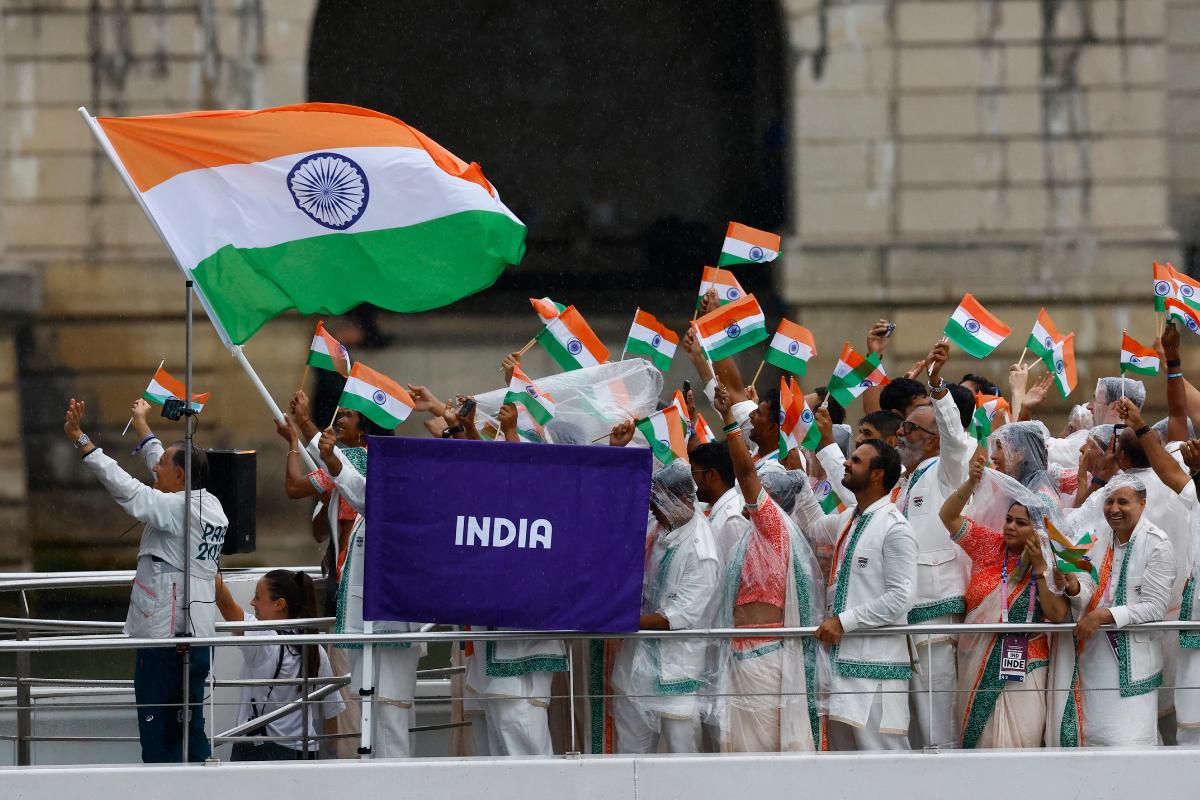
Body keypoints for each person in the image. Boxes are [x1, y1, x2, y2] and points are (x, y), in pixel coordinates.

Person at [63, 397, 227, 763]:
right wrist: (141, 423)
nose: (155, 469)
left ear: (181, 477)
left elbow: (130, 490)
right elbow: (160, 463)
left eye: (163, 466)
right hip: (200, 635)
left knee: (159, 734)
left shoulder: (177, 509)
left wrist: (81, 441)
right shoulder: (211, 505)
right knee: (191, 724)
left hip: (166, 637)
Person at [713, 384, 824, 752]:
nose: (751, 497)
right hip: (745, 654)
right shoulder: (754, 532)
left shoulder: (773, 526)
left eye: (760, 492)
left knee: (759, 758)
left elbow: (745, 474)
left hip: (764, 656)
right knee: (744, 758)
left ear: (773, 499)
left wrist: (729, 420)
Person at [792, 438, 917, 750]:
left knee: (883, 757)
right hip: (842, 663)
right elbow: (814, 526)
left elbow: (902, 597)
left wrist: (844, 621)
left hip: (877, 669)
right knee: (844, 759)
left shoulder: (895, 528)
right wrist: (798, 478)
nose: (846, 463)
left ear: (877, 475)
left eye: (856, 460)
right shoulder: (850, 517)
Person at [940, 454, 1072, 748]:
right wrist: (971, 482)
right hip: (975, 660)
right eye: (1009, 520)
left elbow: (1059, 615)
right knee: (980, 744)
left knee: (1021, 743)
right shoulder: (989, 544)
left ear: (1037, 529)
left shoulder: (1050, 562)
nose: (1010, 527)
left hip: (1027, 665)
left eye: (1021, 523)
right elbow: (948, 516)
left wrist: (1039, 568)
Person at [314, 428, 424, 758]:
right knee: (373, 723)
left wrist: (332, 459)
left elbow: (359, 490)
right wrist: (330, 456)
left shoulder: (399, 506)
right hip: (370, 633)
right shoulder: (370, 512)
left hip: (391, 632)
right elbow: (357, 489)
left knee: (388, 723)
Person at [1046, 477, 1177, 747]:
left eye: (1123, 502)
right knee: (1093, 737)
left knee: (1130, 741)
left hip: (1133, 662)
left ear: (1142, 504)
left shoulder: (1158, 544)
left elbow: (1154, 608)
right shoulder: (1096, 536)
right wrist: (1071, 585)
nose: (1114, 508)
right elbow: (1087, 585)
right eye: (1109, 501)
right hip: (1093, 657)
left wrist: (1103, 616)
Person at [892, 341, 974, 749]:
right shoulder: (904, 480)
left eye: (910, 428)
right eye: (901, 426)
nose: (900, 433)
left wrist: (937, 387)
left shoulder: (948, 470)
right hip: (901, 611)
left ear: (934, 438)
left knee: (939, 725)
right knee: (912, 728)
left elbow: (956, 439)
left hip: (935, 614)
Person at [610, 460, 721, 754]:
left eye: (657, 502)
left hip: (677, 671)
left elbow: (680, 616)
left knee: (680, 757)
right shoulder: (660, 528)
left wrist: (622, 619)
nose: (652, 509)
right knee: (630, 755)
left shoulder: (702, 551)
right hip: (636, 666)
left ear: (683, 500)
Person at [214, 571, 346, 760]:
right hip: (307, 753)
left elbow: (226, 605)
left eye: (258, 597)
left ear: (279, 604)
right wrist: (331, 756)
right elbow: (332, 714)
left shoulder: (265, 642)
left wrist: (205, 569)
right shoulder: (315, 648)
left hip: (263, 752)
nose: (252, 602)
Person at [690, 441, 745, 561]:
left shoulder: (733, 519)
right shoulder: (709, 507)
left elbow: (738, 571)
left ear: (711, 475)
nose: (691, 480)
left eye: (693, 472)